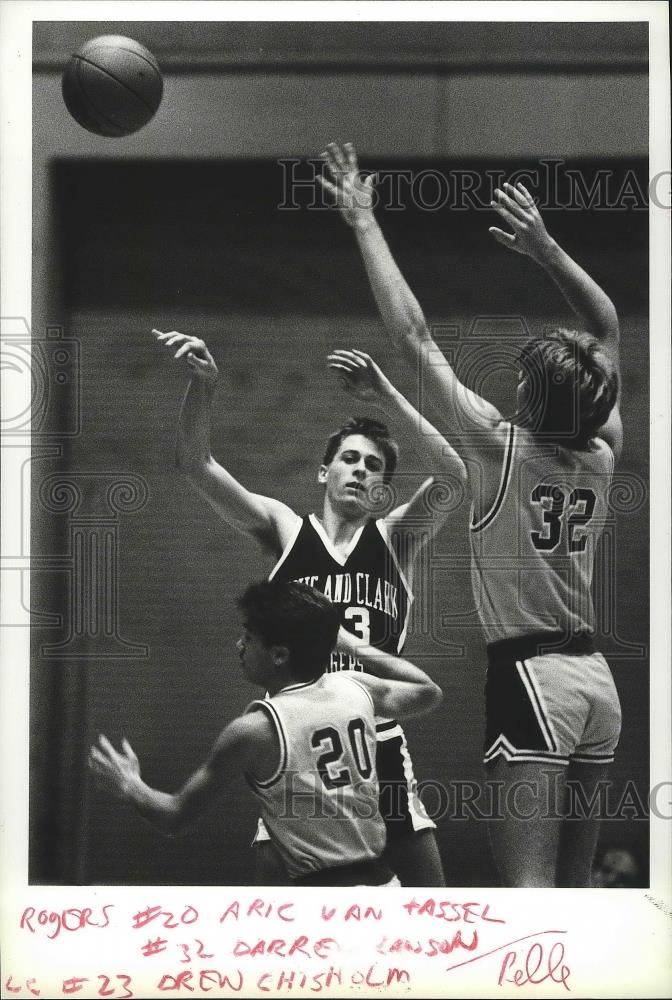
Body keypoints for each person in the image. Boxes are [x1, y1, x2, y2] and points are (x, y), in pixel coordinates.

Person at [319, 140, 623, 888]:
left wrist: (364, 222)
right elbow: (608, 331)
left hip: (535, 677)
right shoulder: (602, 451)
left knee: (527, 895)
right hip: (597, 686)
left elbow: (413, 336)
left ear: (526, 398)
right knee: (576, 894)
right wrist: (549, 250)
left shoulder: (499, 447)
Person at [153, 328, 465, 887]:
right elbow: (197, 466)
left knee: (434, 919)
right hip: (294, 744)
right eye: (350, 458)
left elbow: (455, 477)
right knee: (284, 932)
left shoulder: (397, 539)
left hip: (376, 742)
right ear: (325, 472)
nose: (362, 469)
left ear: (381, 491)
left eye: (374, 466)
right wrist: (204, 386)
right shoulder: (286, 530)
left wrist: (386, 394)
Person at [88, 579, 442, 886]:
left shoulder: (256, 730)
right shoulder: (355, 688)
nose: (239, 646)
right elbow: (428, 691)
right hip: (383, 889)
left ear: (278, 655)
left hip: (322, 906)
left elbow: (175, 817)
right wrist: (350, 643)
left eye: (248, 637)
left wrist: (129, 784)